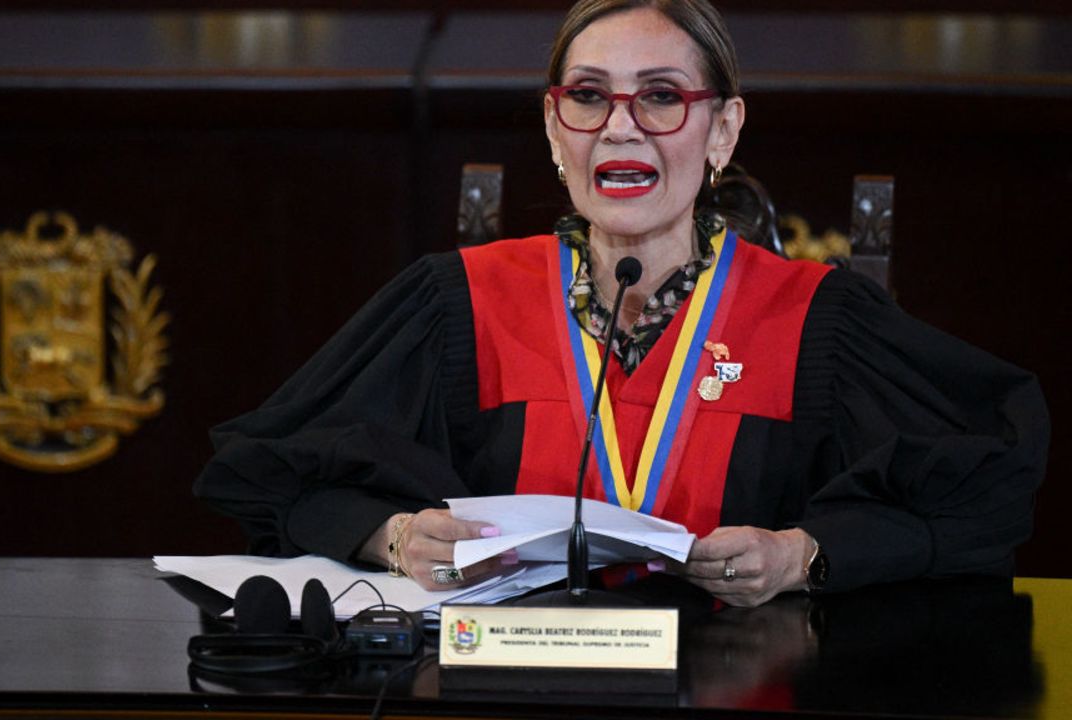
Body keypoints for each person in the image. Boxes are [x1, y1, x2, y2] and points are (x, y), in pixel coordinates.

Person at [195, 0, 1047, 607]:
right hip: (508, 698)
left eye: (663, 96)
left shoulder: (817, 320)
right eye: (590, 95)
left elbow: (987, 493)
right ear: (553, 126)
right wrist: (392, 536)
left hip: (742, 696)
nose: (621, 126)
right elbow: (272, 473)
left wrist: (799, 556)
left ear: (724, 131)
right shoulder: (456, 302)